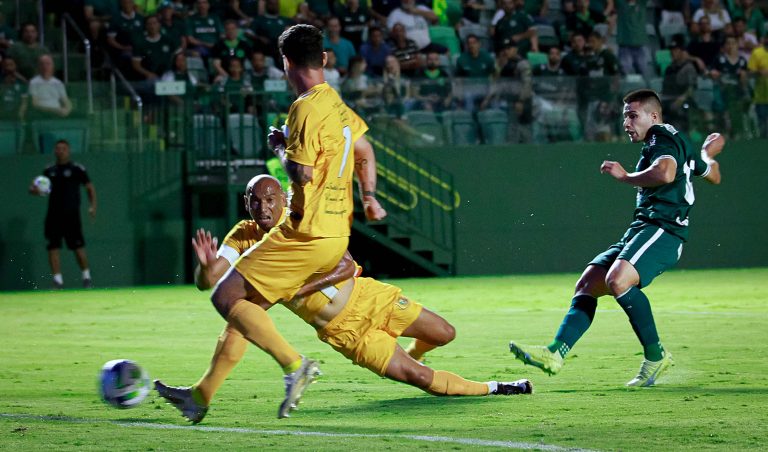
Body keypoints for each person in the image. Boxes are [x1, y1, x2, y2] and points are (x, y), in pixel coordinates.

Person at [155, 175, 532, 423]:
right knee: (419, 379)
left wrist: (298, 287)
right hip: (345, 332)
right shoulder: (244, 235)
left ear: (283, 199)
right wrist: (206, 267)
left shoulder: (302, 221)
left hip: (370, 297)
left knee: (446, 333)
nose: (264, 207)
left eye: (270, 198)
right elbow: (212, 281)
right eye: (255, 202)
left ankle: (408, 351)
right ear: (247, 204)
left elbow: (347, 265)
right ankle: (499, 387)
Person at [208, 24, 387, 419]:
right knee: (248, 304)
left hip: (306, 230)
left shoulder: (304, 106)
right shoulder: (335, 102)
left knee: (225, 296)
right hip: (337, 230)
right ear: (323, 58)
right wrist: (370, 198)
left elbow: (301, 174)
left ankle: (294, 365)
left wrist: (278, 145)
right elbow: (364, 149)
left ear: (285, 63)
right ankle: (201, 394)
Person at [509, 89, 723, 387]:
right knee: (588, 283)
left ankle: (656, 355)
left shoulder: (660, 136)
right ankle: (555, 353)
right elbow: (712, 175)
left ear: (654, 116)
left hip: (664, 230)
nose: (627, 122)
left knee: (618, 279)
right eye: (625, 116)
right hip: (642, 229)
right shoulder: (675, 141)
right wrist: (705, 157)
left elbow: (665, 173)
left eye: (633, 115)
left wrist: (624, 176)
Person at [28, 140, 97, 289]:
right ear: (54, 151)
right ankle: (58, 281)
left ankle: (86, 277)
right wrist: (35, 190)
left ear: (69, 151)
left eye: (63, 149)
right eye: (58, 148)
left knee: (78, 247)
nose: (60, 151)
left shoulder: (78, 169)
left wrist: (92, 206)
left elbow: (90, 188)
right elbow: (38, 189)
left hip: (72, 215)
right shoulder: (49, 170)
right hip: (53, 216)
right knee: (53, 247)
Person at [29, 54, 73, 119]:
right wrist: (55, 110)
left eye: (48, 64)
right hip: (41, 116)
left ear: (53, 66)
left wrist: (67, 110)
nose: (45, 67)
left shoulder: (58, 83)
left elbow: (66, 100)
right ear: (38, 66)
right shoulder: (33, 82)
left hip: (58, 115)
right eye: (42, 64)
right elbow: (34, 104)